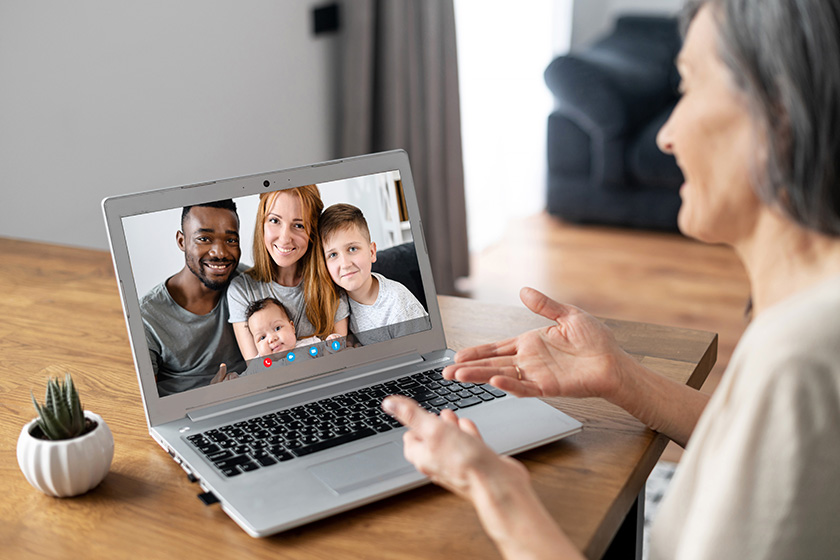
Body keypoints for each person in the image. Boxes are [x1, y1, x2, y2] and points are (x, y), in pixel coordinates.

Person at [382, 1, 840, 558]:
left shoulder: (800, 355)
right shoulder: (811, 321)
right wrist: (619, 375)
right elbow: (757, 447)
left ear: (780, 114)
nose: (667, 135)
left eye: (689, 87)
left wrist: (494, 488)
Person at [227, 185, 349, 361]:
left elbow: (339, 360)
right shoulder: (242, 291)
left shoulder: (332, 283)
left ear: (312, 232)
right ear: (262, 223)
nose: (285, 238)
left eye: (299, 225)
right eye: (274, 220)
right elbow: (259, 370)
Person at [140, 200, 247, 396]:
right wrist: (209, 398)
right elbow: (147, 402)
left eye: (231, 240)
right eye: (204, 239)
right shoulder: (146, 318)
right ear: (182, 241)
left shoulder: (248, 285)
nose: (220, 253)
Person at [320, 203, 429, 345]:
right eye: (333, 254)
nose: (345, 264)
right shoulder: (340, 299)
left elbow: (422, 350)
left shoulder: (398, 305)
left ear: (372, 252)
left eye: (352, 249)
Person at [245, 297, 321, 357]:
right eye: (262, 337)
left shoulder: (310, 345)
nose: (272, 339)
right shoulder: (257, 365)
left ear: (292, 327)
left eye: (277, 328)